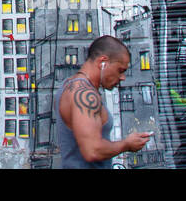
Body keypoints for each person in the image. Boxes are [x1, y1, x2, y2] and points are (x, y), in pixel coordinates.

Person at [57, 35, 152, 168]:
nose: (123, 77)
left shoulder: (72, 85)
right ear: (103, 63)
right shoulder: (84, 93)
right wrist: (126, 144)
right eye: (120, 70)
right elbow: (92, 150)